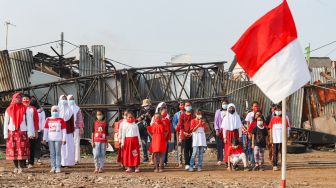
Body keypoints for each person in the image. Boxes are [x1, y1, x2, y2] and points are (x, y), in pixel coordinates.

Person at [4, 93, 35, 174]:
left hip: (22, 132)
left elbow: (30, 121)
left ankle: (21, 167)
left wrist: (30, 132)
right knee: (13, 150)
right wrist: (5, 134)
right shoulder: (8, 109)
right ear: (13, 98)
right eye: (17, 97)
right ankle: (16, 167)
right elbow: (5, 122)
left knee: (22, 150)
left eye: (20, 97)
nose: (19, 98)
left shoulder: (25, 109)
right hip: (12, 132)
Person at [43, 105, 66, 173]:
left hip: (58, 139)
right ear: (51, 111)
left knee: (58, 153)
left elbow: (64, 130)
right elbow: (46, 129)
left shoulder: (61, 119)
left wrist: (64, 139)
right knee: (52, 153)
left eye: (56, 110)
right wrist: (44, 138)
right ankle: (53, 167)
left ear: (58, 111)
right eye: (53, 110)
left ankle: (58, 167)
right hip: (50, 139)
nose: (55, 112)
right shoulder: (48, 119)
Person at [269, 105, 289, 171]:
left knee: (283, 151)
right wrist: (271, 137)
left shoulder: (284, 119)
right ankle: (275, 165)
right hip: (275, 138)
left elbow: (286, 129)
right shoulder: (273, 119)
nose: (278, 111)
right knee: (275, 151)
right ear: (274, 111)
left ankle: (283, 164)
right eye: (277, 110)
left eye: (279, 110)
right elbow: (271, 129)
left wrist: (286, 138)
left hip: (282, 138)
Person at [176, 101, 195, 170]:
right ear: (184, 107)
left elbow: (196, 124)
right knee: (186, 150)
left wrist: (192, 132)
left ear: (191, 106)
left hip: (193, 135)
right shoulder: (182, 115)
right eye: (187, 105)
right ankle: (187, 163)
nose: (188, 106)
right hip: (184, 135)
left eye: (189, 105)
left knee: (192, 150)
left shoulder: (193, 115)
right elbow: (180, 125)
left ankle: (192, 163)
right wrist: (184, 132)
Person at [22, 94, 39, 169]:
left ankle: (30, 162)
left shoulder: (33, 109)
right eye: (24, 99)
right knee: (23, 147)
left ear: (30, 100)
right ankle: (23, 163)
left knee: (31, 147)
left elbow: (36, 120)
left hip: (31, 131)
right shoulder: (20, 108)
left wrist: (36, 131)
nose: (25, 100)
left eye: (27, 99)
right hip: (22, 131)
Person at [58, 95, 75, 167]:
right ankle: (61, 162)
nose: (64, 100)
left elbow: (72, 122)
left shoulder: (70, 111)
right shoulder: (57, 110)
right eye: (63, 99)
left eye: (65, 99)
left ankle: (69, 163)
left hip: (68, 132)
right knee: (61, 148)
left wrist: (72, 131)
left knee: (69, 148)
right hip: (59, 133)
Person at [67, 95, 84, 165]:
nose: (72, 100)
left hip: (76, 128)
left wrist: (81, 128)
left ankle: (76, 159)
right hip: (68, 129)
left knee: (76, 143)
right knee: (69, 144)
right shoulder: (66, 109)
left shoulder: (77, 108)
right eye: (70, 99)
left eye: (73, 99)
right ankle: (70, 159)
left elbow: (80, 119)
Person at [243, 101, 260, 167]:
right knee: (250, 147)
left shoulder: (260, 114)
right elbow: (248, 124)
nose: (256, 107)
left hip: (258, 134)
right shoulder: (249, 114)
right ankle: (250, 160)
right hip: (251, 133)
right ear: (252, 107)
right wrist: (249, 133)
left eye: (257, 106)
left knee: (257, 148)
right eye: (255, 106)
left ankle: (256, 161)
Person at [30, 97, 46, 165]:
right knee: (30, 145)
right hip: (30, 130)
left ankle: (38, 158)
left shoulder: (41, 111)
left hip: (38, 130)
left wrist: (42, 129)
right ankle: (30, 159)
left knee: (38, 145)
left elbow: (43, 120)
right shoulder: (28, 109)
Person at [213, 99, 229, 166]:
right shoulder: (218, 111)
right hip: (220, 130)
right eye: (223, 104)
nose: (224, 105)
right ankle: (220, 159)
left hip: (228, 130)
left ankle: (227, 159)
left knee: (227, 145)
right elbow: (216, 121)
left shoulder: (229, 111)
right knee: (219, 145)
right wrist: (216, 129)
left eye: (226, 104)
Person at [172, 101, 185, 167]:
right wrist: (176, 127)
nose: (182, 106)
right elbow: (174, 123)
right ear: (179, 106)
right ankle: (179, 161)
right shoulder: (176, 114)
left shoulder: (188, 113)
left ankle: (186, 161)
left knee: (186, 147)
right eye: (181, 105)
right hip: (179, 132)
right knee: (179, 146)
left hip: (186, 132)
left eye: (183, 105)